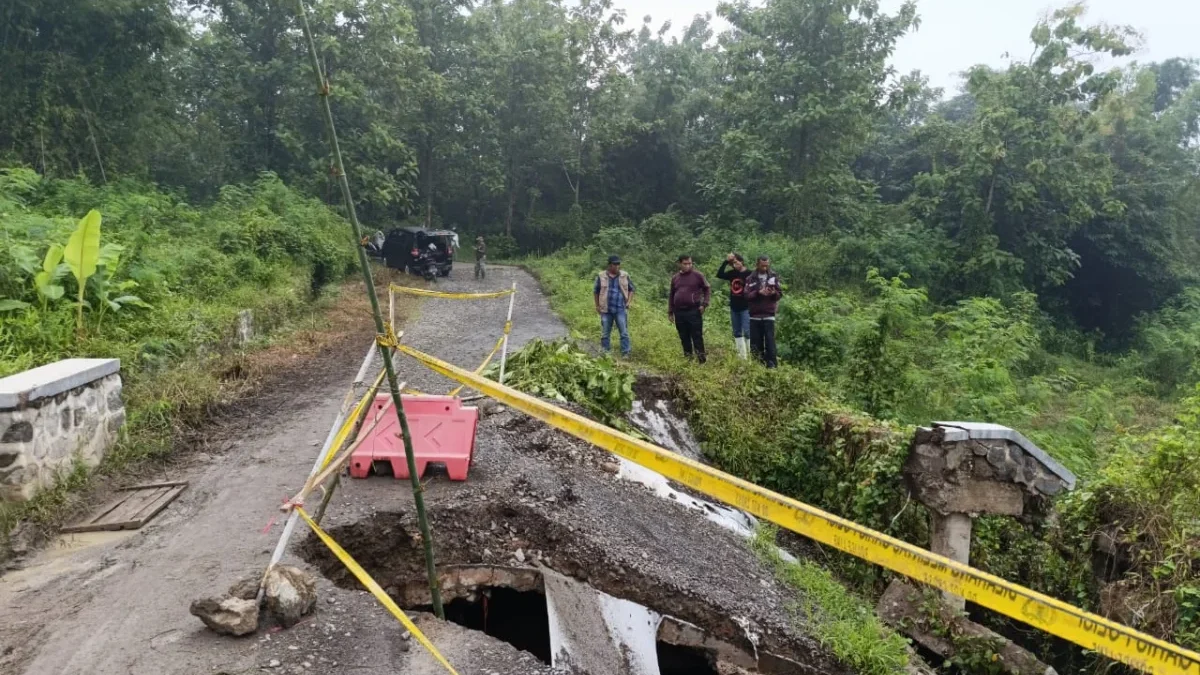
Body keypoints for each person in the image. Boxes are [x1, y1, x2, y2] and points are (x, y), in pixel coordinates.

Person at [668, 255, 711, 363]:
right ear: (679, 264)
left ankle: (701, 360)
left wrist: (704, 304)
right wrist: (670, 311)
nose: (688, 266)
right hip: (679, 312)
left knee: (697, 336)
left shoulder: (698, 275)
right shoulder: (675, 278)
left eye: (690, 263)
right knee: (684, 336)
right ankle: (688, 359)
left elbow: (707, 288)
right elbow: (672, 294)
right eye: (685, 264)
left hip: (693, 310)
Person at [744, 255, 782, 368]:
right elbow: (746, 296)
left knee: (770, 343)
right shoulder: (750, 278)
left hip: (768, 315)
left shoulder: (774, 277)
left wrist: (773, 293)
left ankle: (772, 367)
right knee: (755, 344)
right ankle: (757, 367)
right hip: (754, 316)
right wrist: (758, 292)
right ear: (757, 264)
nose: (765, 268)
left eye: (767, 265)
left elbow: (780, 294)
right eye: (762, 265)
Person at [594, 255, 635, 357]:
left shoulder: (624, 275)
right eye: (615, 264)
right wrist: (597, 306)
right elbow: (596, 291)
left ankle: (626, 352)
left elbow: (631, 289)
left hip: (620, 308)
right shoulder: (601, 276)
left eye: (618, 264)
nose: (617, 266)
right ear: (609, 265)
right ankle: (605, 353)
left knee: (624, 332)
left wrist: (629, 302)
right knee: (605, 333)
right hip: (606, 309)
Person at [716, 252, 752, 359]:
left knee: (747, 331)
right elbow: (719, 274)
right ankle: (742, 357)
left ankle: (753, 356)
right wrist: (726, 261)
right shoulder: (732, 273)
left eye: (736, 262)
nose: (734, 265)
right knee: (736, 332)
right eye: (732, 263)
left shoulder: (750, 274)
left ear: (742, 262)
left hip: (746, 307)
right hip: (734, 307)